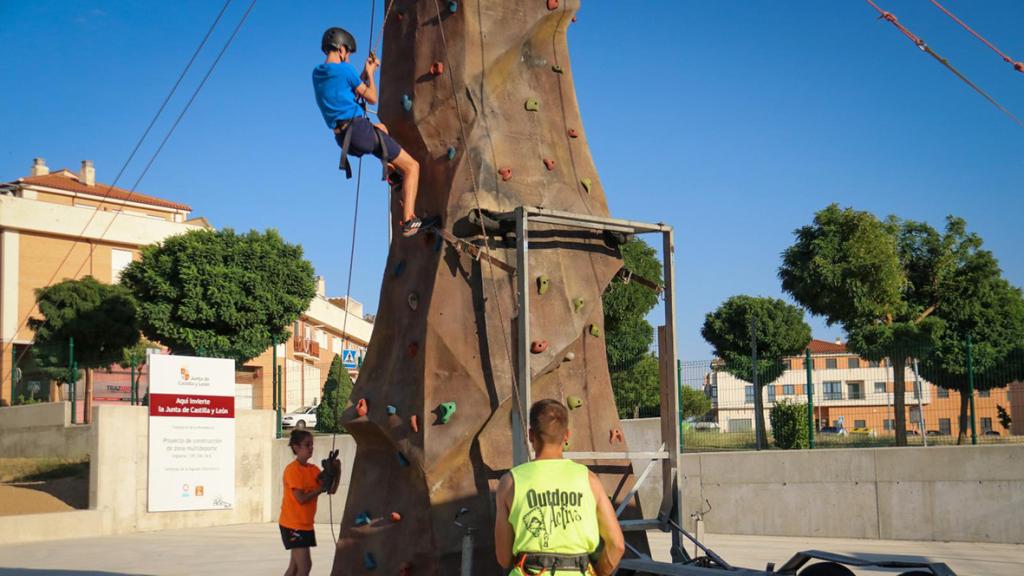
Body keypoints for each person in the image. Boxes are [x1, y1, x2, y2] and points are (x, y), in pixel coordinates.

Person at [494, 399, 625, 576]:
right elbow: (617, 545)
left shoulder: (510, 483)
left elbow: (503, 558)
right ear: (566, 436)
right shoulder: (589, 480)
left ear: (531, 435)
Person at [313, 26, 423, 237]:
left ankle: (392, 173)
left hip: (344, 139)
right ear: (341, 49)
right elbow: (371, 97)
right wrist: (371, 74)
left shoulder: (317, 74)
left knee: (382, 129)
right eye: (348, 54)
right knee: (412, 166)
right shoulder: (345, 70)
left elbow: (346, 90)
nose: (348, 58)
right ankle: (409, 219)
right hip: (359, 131)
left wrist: (363, 72)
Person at [279, 429, 326, 576]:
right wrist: (320, 489)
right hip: (293, 525)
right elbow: (301, 499)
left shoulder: (314, 470)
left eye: (312, 444)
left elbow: (330, 489)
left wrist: (336, 471)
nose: (311, 448)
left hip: (305, 525)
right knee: (305, 566)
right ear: (296, 447)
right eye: (307, 445)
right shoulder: (292, 470)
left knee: (294, 568)